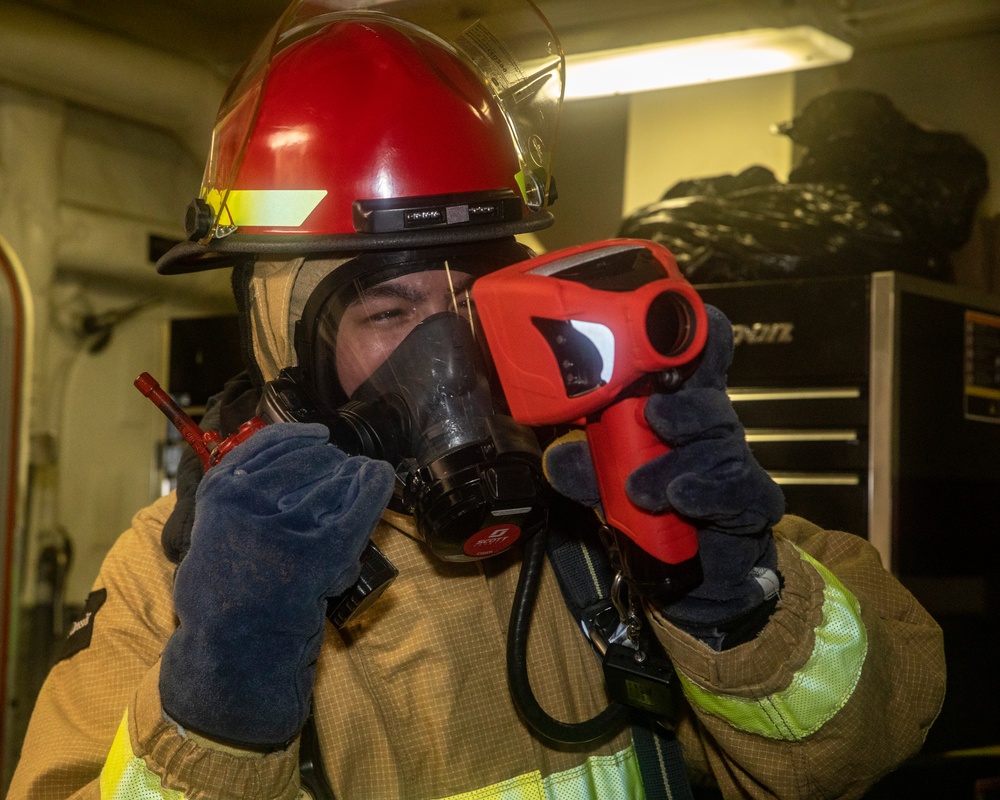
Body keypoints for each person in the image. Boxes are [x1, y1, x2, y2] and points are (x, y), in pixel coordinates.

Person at [8, 2, 945, 798]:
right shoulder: (178, 580)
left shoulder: (628, 494)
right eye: (389, 307)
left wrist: (733, 605)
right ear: (282, 342)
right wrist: (213, 715)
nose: (451, 353)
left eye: (477, 298)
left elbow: (863, 746)